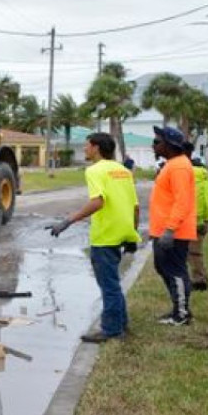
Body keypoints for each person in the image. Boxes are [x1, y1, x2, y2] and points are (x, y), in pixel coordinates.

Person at [47, 132, 139, 342]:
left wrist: (68, 221)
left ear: (96, 148)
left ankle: (112, 330)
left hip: (105, 235)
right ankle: (121, 324)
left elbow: (98, 202)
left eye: (87, 146)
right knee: (113, 283)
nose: (84, 149)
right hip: (122, 232)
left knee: (108, 285)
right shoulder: (123, 171)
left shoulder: (94, 171)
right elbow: (135, 206)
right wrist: (132, 235)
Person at [150, 126, 198, 325]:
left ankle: (181, 315)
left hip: (174, 231)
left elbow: (182, 201)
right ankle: (178, 308)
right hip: (165, 230)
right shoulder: (173, 164)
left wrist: (170, 229)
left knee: (175, 271)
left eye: (156, 142)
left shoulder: (178, 166)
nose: (153, 145)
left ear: (169, 145)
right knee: (164, 268)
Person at [183, 141, 208, 290]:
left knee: (192, 253)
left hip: (190, 221)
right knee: (195, 252)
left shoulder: (187, 177)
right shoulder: (205, 178)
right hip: (203, 221)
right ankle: (199, 278)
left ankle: (200, 280)